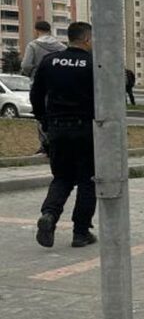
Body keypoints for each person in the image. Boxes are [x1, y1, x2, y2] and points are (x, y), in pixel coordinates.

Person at [30, 21, 97, 249]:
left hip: (57, 128)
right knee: (88, 181)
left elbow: (36, 95)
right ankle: (80, 233)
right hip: (85, 129)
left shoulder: (50, 62)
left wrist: (45, 121)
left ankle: (49, 215)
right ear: (87, 39)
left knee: (62, 177)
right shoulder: (92, 64)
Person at [21, 20, 66, 155]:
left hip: (39, 84)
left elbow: (26, 65)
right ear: (50, 30)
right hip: (59, 84)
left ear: (36, 30)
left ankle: (45, 144)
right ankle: (58, 142)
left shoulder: (33, 45)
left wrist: (32, 73)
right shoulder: (61, 47)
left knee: (41, 113)